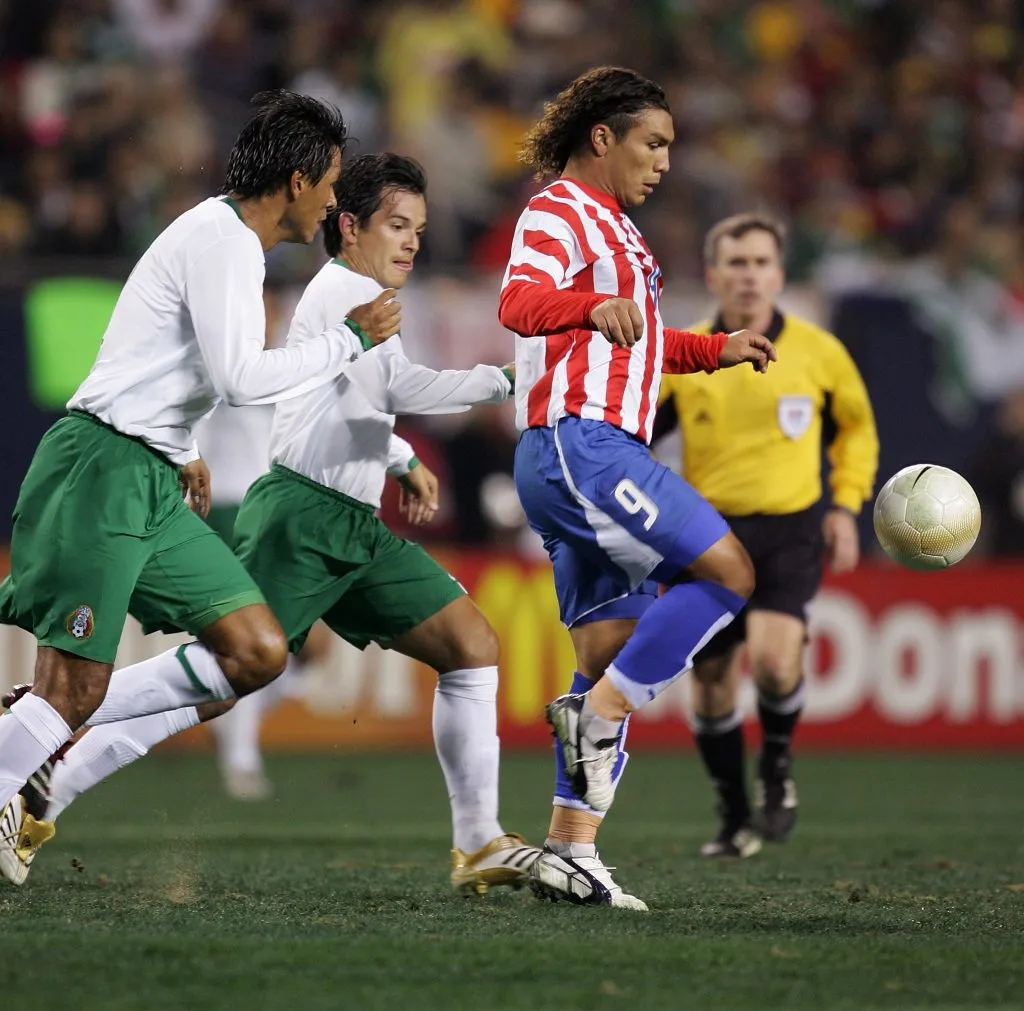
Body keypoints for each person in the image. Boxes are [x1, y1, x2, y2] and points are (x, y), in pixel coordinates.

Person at [2, 154, 541, 896]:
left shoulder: (361, 293)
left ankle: (479, 840)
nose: (413, 241)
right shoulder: (344, 289)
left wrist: (394, 451)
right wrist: (511, 379)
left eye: (419, 227)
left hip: (351, 522)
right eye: (396, 224)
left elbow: (347, 397)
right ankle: (42, 755)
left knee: (470, 644)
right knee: (232, 670)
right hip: (303, 516)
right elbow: (398, 384)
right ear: (348, 225)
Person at [0, 91, 405, 881]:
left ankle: (33, 723)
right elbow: (244, 379)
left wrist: (181, 442)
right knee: (74, 685)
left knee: (254, 650)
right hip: (104, 470)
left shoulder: (225, 239)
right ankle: (22, 758)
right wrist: (349, 340)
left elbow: (153, 354)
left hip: (151, 473)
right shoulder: (223, 241)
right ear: (296, 181)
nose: (334, 199)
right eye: (330, 182)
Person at [499, 66, 777, 910]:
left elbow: (640, 343)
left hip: (571, 456)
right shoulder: (559, 210)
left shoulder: (619, 231)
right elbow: (518, 301)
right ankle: (599, 717)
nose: (663, 162)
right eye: (652, 143)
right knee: (730, 573)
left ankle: (570, 849)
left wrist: (710, 350)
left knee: (607, 660)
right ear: (603, 137)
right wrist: (585, 306)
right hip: (585, 447)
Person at [653, 212, 879, 858]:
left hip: (790, 525)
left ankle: (776, 770)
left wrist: (845, 506)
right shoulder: (685, 355)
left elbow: (857, 429)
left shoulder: (819, 352)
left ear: (779, 274)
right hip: (710, 536)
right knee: (713, 681)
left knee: (778, 662)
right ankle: (732, 814)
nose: (749, 276)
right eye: (737, 263)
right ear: (713, 272)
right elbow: (634, 439)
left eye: (761, 263)